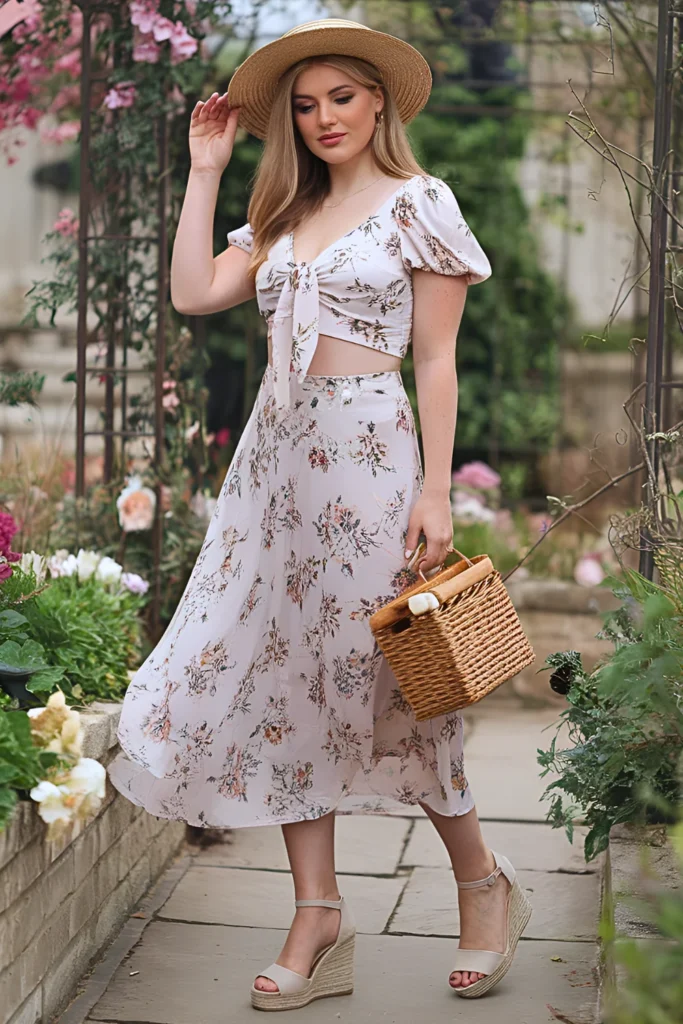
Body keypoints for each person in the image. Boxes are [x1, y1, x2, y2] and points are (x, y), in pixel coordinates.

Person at [108, 17, 532, 1012]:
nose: (324, 117)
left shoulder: (419, 204)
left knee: (401, 681)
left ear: (378, 101)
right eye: (304, 105)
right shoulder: (286, 212)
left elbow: (434, 357)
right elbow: (194, 290)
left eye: (340, 97)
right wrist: (206, 167)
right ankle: (318, 914)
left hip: (370, 462)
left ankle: (482, 885)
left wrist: (433, 489)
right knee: (290, 680)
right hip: (274, 475)